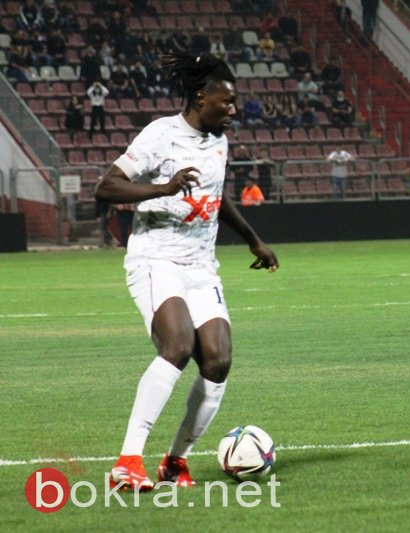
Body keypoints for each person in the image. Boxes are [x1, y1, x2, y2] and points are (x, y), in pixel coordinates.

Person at [94, 52, 279, 491]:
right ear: (201, 96)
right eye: (227, 102)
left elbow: (217, 196)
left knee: (218, 359)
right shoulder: (162, 135)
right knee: (177, 345)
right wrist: (163, 187)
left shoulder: (219, 140)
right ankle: (127, 462)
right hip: (156, 258)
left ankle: (175, 461)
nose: (234, 110)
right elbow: (106, 186)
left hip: (200, 266)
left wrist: (253, 238)